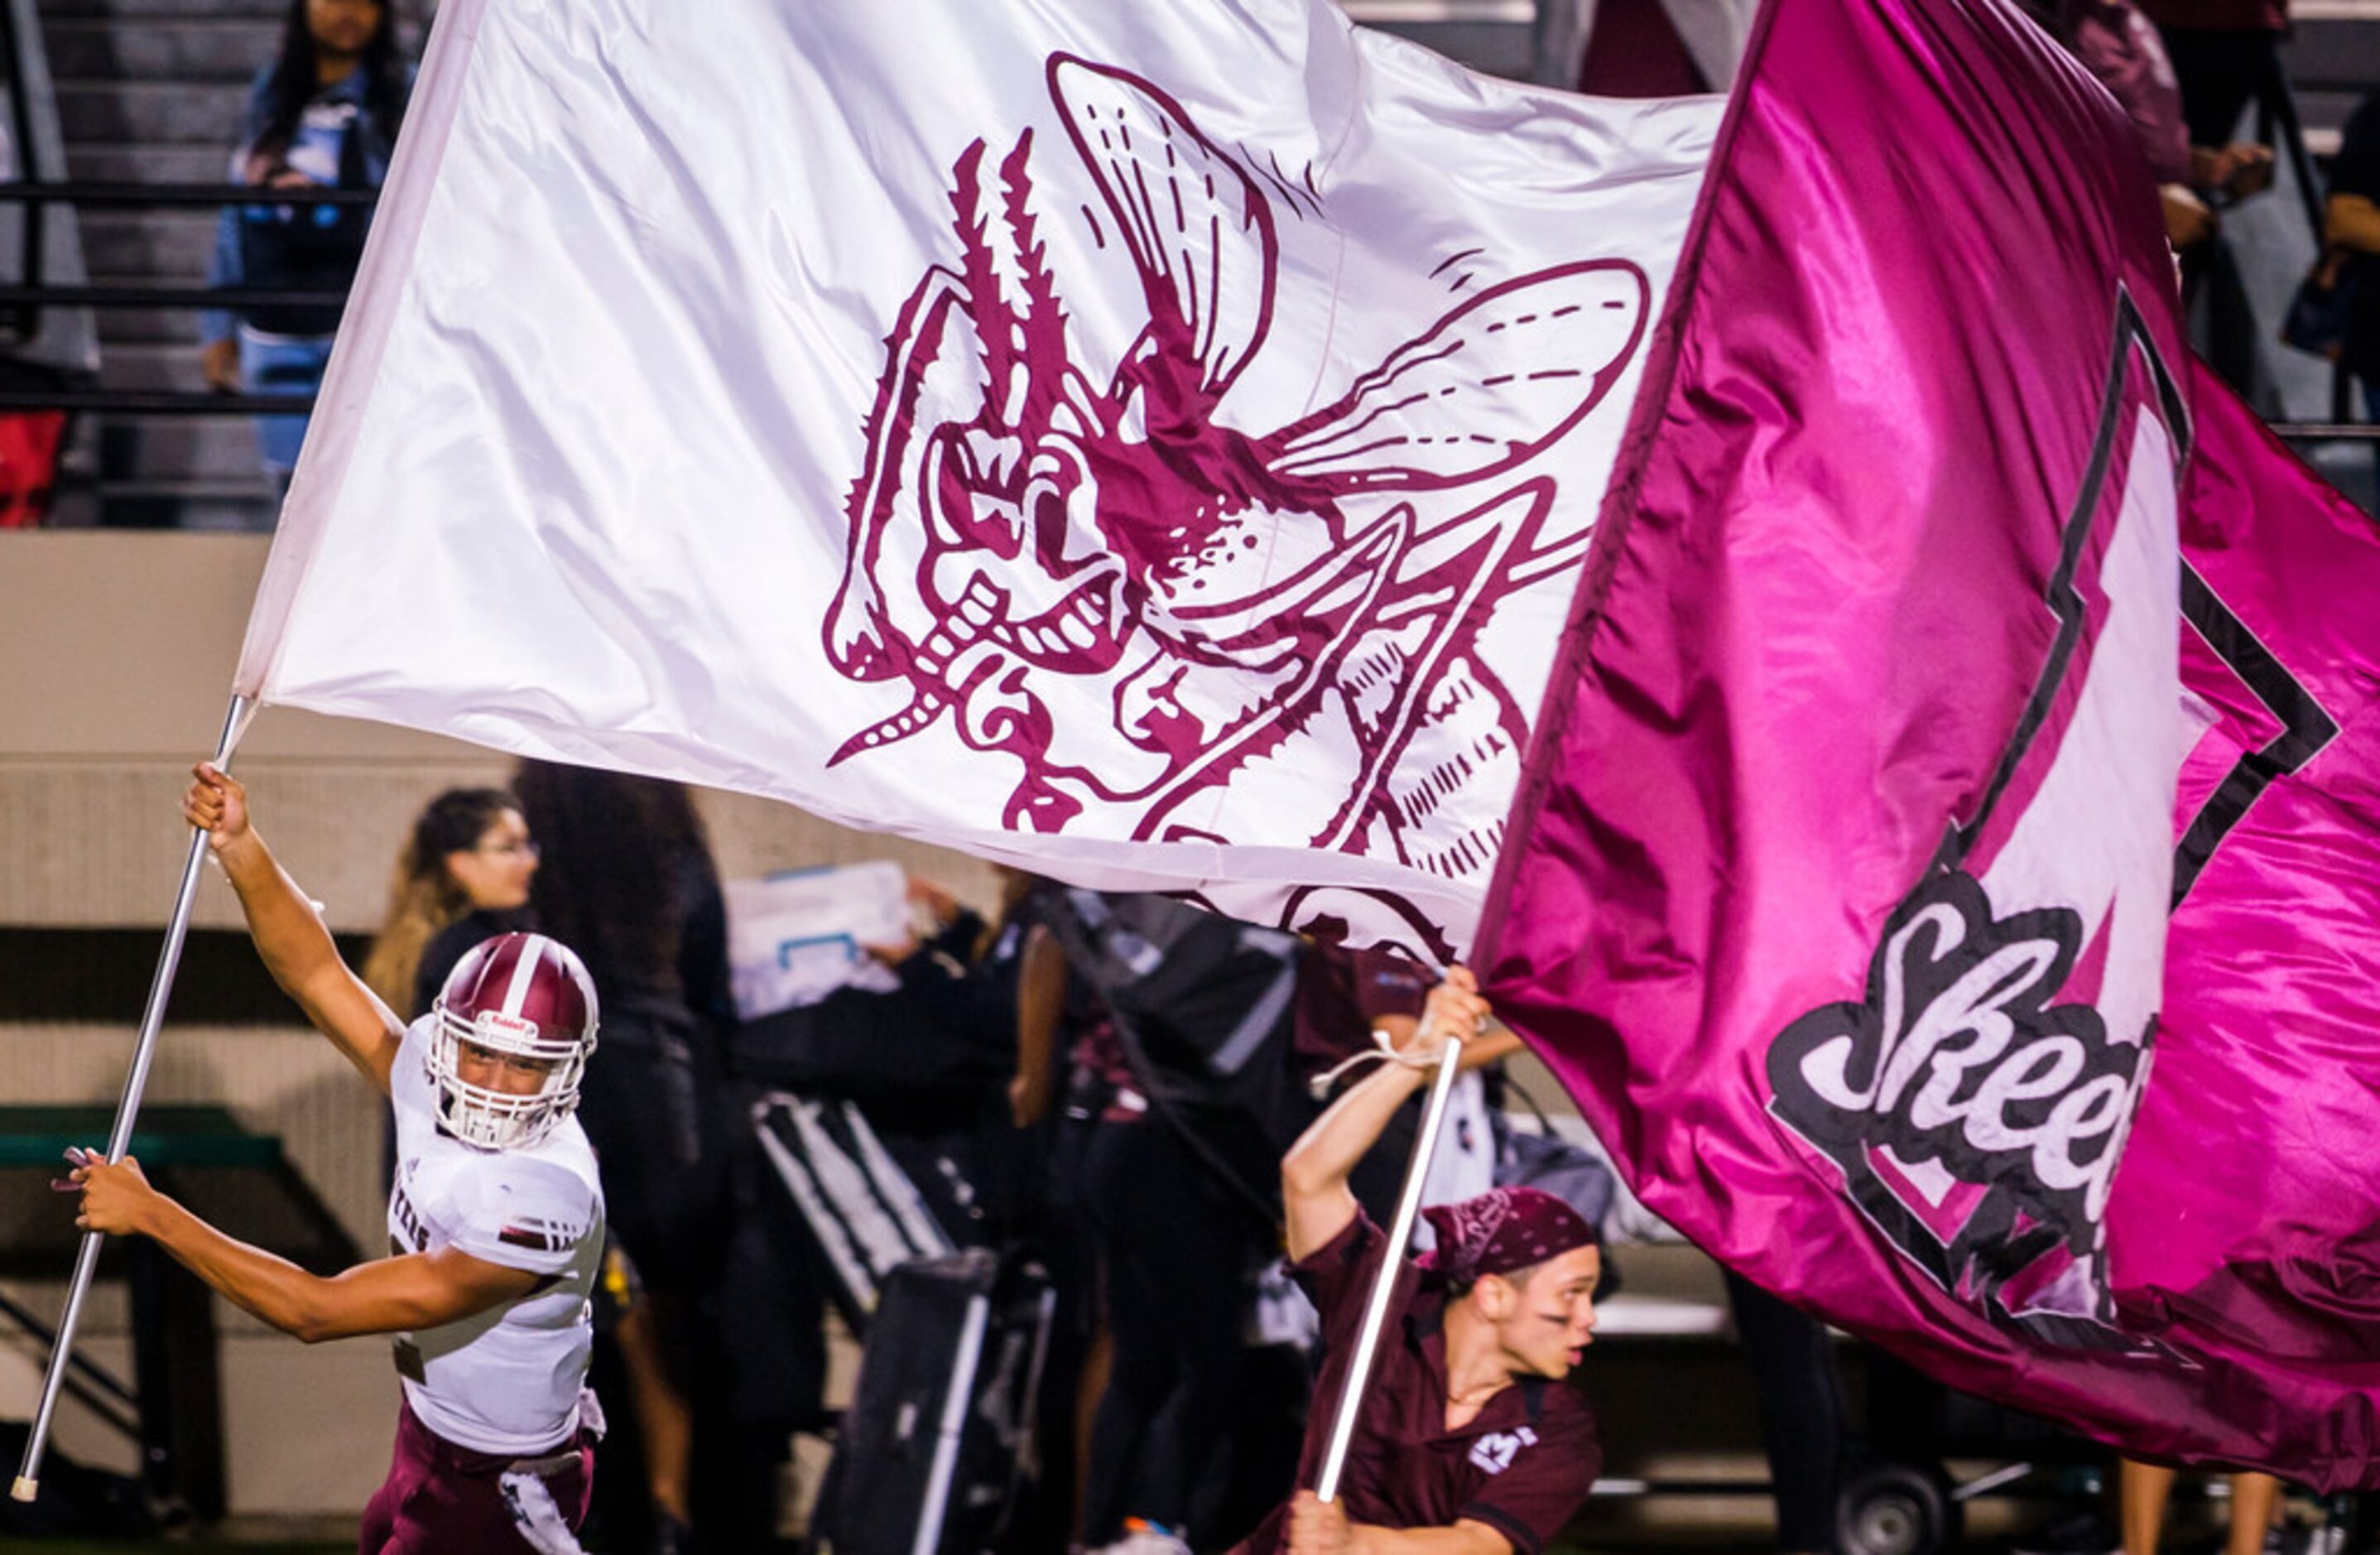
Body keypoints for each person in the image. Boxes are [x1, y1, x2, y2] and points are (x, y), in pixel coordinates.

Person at [64, 763, 606, 1552]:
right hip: (429, 1436)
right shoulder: (433, 1068)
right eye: (480, 1053)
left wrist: (154, 1215)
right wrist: (243, 848)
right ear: (450, 1036)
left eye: (524, 1065)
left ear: (567, 1070)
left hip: (500, 1481)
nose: (493, 1082)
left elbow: (314, 1312)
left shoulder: (542, 1196)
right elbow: (316, 974)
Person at [1235, 968, 1603, 1555]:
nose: (1589, 1318)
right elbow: (1307, 1178)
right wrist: (1413, 1062)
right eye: (1571, 1292)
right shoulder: (1383, 1305)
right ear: (1492, 1294)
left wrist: (1355, 1545)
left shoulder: (1557, 1425)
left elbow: (1478, 1545)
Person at [511, 761, 734, 1555]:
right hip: (670, 1099)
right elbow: (709, 973)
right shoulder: (674, 860)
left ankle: (577, 1506)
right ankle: (672, 1509)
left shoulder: (535, 859)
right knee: (659, 1308)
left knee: (565, 1308)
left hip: (564, 1095)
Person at [200, 0, 411, 496]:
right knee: (290, 488)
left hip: (370, 324)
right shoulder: (272, 92)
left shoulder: (407, 89)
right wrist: (217, 326)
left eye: (365, 1)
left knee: (371, 488)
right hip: (275, 323)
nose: (348, 11)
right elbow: (237, 212)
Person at [358, 786, 539, 1023]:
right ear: (459, 862)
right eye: (509, 849)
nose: (530, 862)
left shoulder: (419, 944)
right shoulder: (469, 949)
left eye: (528, 846)